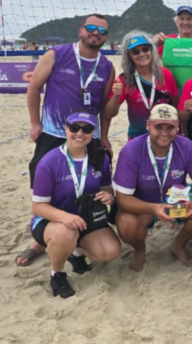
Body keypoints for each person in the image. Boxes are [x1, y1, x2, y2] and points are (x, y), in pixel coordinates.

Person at [17, 13, 115, 267]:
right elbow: (34, 87)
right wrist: (35, 123)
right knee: (43, 184)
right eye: (91, 28)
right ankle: (39, 241)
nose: (96, 33)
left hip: (87, 134)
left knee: (89, 185)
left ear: (106, 37)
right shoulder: (57, 54)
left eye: (102, 31)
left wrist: (104, 136)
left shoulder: (106, 66)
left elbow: (104, 106)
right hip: (54, 133)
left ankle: (78, 234)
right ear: (81, 30)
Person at [113, 105, 192, 270]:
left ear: (177, 127)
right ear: (148, 125)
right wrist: (155, 208)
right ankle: (139, 249)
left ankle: (178, 244)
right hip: (146, 204)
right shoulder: (131, 150)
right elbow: (122, 199)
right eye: (158, 127)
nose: (164, 132)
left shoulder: (186, 146)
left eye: (170, 127)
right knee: (126, 224)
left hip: (176, 201)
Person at [30, 112, 121, 298]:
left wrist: (108, 196)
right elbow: (38, 206)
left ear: (93, 132)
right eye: (74, 127)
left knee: (110, 252)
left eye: (87, 129)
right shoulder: (49, 161)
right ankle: (57, 274)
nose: (80, 133)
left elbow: (107, 187)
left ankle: (75, 252)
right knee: (66, 232)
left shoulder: (100, 158)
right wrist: (65, 217)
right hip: (53, 221)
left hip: (87, 219)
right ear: (66, 129)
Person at [105, 32, 179, 140]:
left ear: (151, 51)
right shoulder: (124, 79)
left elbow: (175, 104)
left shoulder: (165, 75)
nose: (141, 54)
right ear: (129, 56)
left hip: (164, 137)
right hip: (137, 138)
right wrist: (116, 96)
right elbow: (109, 113)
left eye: (145, 49)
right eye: (135, 51)